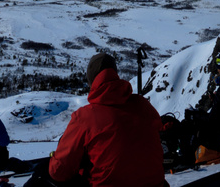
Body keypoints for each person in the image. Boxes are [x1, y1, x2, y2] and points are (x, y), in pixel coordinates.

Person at [28, 53, 164, 187]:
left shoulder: (85, 117)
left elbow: (59, 171)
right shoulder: (143, 104)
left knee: (43, 172)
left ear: (91, 80)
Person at [161, 48, 220, 168]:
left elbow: (214, 120)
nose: (217, 70)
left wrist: (195, 115)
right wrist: (218, 101)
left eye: (219, 67)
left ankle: (186, 160)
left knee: (188, 126)